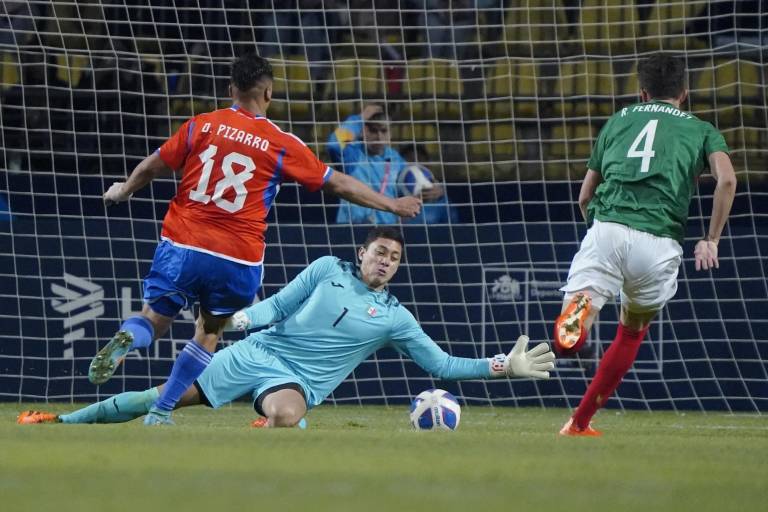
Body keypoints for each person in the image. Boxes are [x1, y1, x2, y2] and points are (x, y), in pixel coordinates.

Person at [90, 53, 421, 426]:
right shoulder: (280, 142)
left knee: (153, 317)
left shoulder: (202, 125)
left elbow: (153, 166)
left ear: (231, 89)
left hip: (183, 243)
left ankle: (130, 336)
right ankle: (161, 411)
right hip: (236, 257)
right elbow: (338, 183)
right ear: (269, 93)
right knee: (208, 331)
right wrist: (391, 203)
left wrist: (124, 189)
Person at [19, 227, 556, 427]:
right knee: (158, 399)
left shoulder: (396, 316)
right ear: (362, 252)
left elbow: (441, 364)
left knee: (286, 413)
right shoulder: (325, 269)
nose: (386, 262)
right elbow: (275, 306)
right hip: (255, 351)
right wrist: (238, 319)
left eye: (394, 258)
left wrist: (503, 366)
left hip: (297, 380)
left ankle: (277, 425)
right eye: (379, 252)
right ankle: (62, 420)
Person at [555, 53, 737, 436]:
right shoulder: (702, 130)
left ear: (642, 93)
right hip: (658, 242)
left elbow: (585, 196)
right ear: (684, 93)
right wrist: (711, 239)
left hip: (609, 229)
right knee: (631, 332)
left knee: (574, 324)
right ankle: (579, 423)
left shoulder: (619, 120)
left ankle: (578, 318)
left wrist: (599, 230)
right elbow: (727, 180)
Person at [330, 104, 444, 224]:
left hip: (386, 228)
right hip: (352, 226)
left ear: (390, 133)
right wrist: (360, 118)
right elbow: (334, 144)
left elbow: (412, 187)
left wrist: (435, 190)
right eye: (373, 130)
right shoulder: (353, 154)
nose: (379, 136)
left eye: (384, 131)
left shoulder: (396, 160)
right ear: (363, 131)